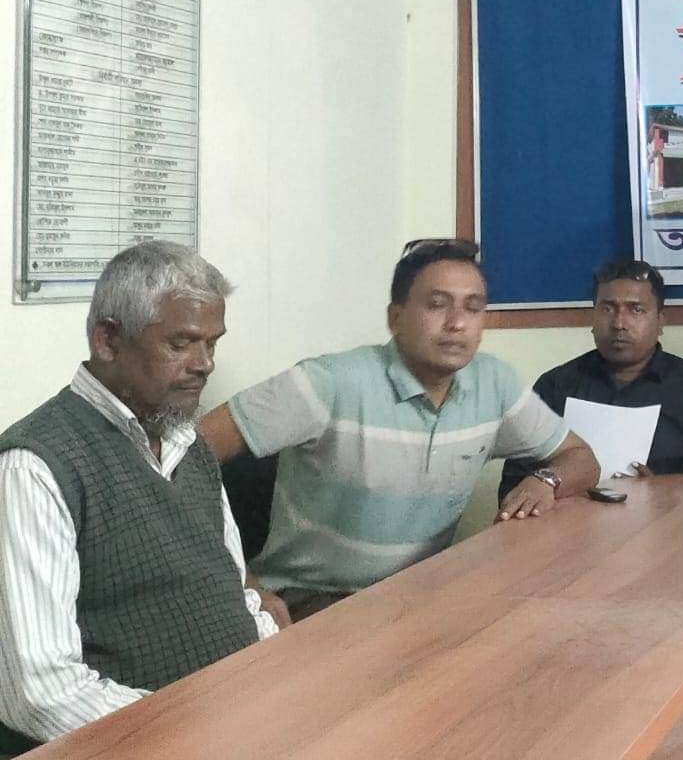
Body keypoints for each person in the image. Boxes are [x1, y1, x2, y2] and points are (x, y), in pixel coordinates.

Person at [199, 238, 600, 621]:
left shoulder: (495, 384)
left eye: (473, 308)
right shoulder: (329, 382)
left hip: (419, 597)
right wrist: (243, 583)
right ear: (396, 318)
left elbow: (582, 459)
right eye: (437, 305)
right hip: (312, 600)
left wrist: (547, 480)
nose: (457, 323)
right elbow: (178, 456)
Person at [0, 243, 281, 749]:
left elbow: (232, 589)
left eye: (212, 344)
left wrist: (274, 667)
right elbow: (40, 694)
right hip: (150, 742)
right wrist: (194, 728)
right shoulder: (34, 466)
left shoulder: (189, 445)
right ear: (108, 340)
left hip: (243, 712)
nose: (205, 364)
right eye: (182, 343)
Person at [500, 259, 683, 495]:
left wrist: (659, 494)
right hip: (567, 517)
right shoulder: (555, 386)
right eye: (608, 309)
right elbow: (512, 487)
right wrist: (558, 486)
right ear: (592, 317)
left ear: (660, 321)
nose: (619, 323)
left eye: (636, 310)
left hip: (665, 518)